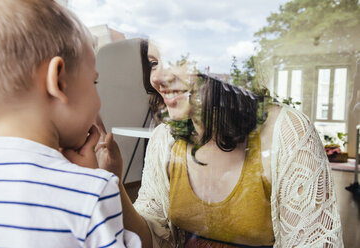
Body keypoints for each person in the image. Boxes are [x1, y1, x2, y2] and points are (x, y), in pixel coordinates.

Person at [119, 40, 344, 247]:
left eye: (176, 59)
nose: (156, 78)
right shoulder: (164, 138)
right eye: (154, 63)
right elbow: (151, 239)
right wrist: (115, 183)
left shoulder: (287, 132)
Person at [0, 0, 140, 247]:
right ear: (58, 81)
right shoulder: (94, 192)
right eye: (94, 82)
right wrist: (88, 180)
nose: (99, 102)